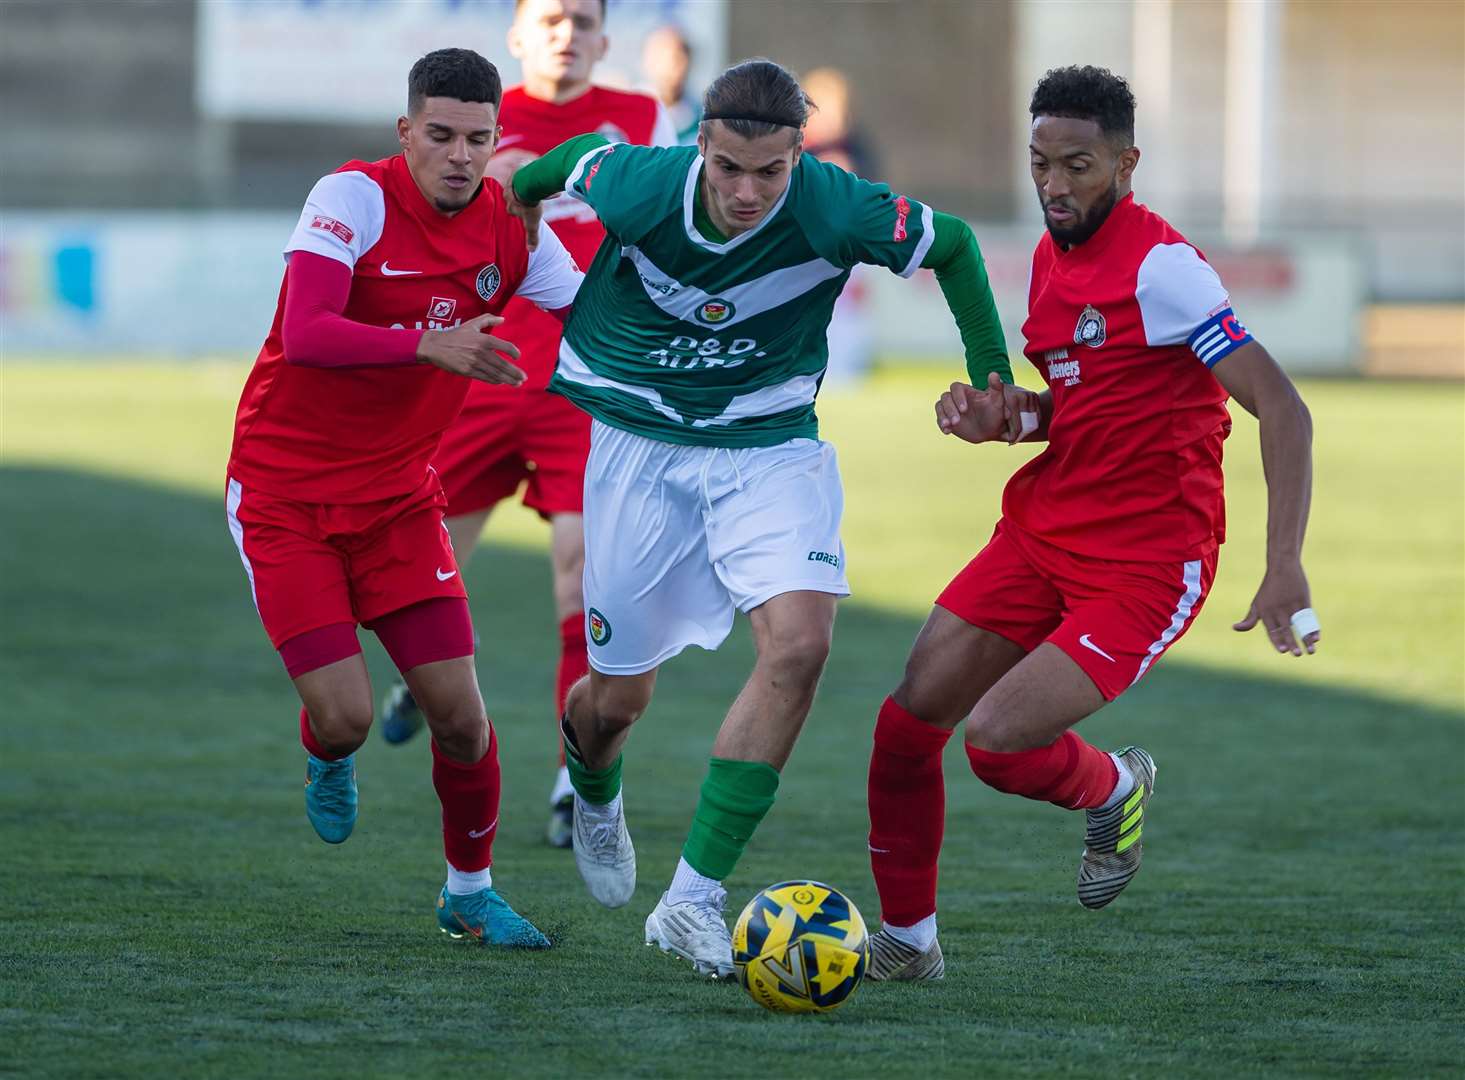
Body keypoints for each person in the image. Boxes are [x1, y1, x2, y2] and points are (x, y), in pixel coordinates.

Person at [502, 58, 1027, 978]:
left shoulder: (833, 203)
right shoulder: (634, 178)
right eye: (729, 169)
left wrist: (992, 379)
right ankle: (593, 783)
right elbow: (539, 175)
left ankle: (691, 901)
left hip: (769, 445)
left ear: (796, 156)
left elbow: (951, 248)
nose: (748, 192)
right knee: (617, 698)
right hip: (635, 447)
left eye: (770, 173)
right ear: (698, 145)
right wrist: (524, 246)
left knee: (799, 646)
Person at [864, 65, 1319, 981]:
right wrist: (1010, 420)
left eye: (1077, 165)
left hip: (1145, 564)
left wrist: (1283, 563)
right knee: (906, 723)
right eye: (1039, 164)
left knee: (995, 743)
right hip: (1042, 527)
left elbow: (1283, 404)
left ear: (1124, 163)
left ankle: (1114, 784)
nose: (1054, 185)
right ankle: (909, 945)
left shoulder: (1164, 269)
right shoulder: (1049, 255)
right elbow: (1075, 407)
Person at [225, 48, 583, 947]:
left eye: (477, 138)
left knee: (461, 721)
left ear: (498, 140)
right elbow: (305, 331)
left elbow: (596, 318)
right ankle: (325, 754)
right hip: (284, 495)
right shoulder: (352, 196)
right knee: (344, 718)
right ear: (406, 132)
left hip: (397, 503)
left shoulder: (511, 227)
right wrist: (429, 347)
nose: (460, 155)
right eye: (441, 135)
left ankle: (468, 893)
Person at [377, 0, 676, 853]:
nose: (566, 32)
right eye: (549, 17)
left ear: (604, 40)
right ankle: (419, 680)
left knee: (579, 585)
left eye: (583, 19)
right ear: (516, 36)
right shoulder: (471, 125)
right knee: (421, 569)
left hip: (581, 388)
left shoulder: (640, 120)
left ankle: (565, 781)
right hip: (476, 376)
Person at [641, 24, 701, 144]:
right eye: (664, 57)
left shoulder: (703, 120)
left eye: (681, 57)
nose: (677, 66)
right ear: (648, 61)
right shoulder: (631, 114)